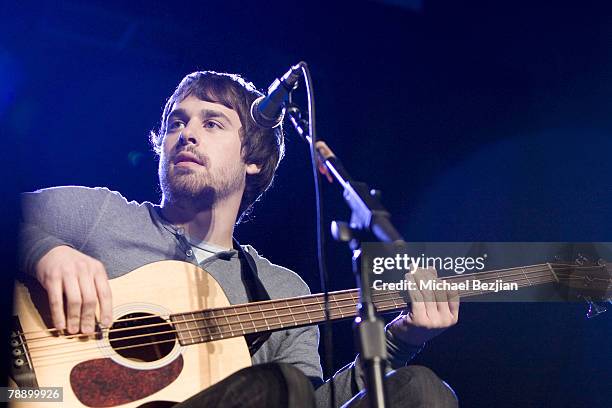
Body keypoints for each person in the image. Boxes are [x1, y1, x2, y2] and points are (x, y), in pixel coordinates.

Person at [19, 70, 459, 407]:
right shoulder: (99, 214)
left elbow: (310, 402)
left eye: (212, 124)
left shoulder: (280, 290)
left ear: (253, 158)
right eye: (176, 122)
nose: (186, 134)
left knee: (421, 390)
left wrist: (400, 340)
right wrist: (45, 251)